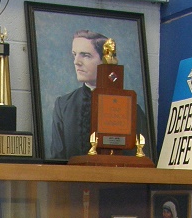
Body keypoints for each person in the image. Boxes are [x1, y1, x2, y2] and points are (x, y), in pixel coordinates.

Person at [49, 30, 150, 160]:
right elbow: (57, 159)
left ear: (104, 60)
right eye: (74, 54)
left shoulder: (132, 110)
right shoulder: (63, 105)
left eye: (86, 55)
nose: (76, 62)